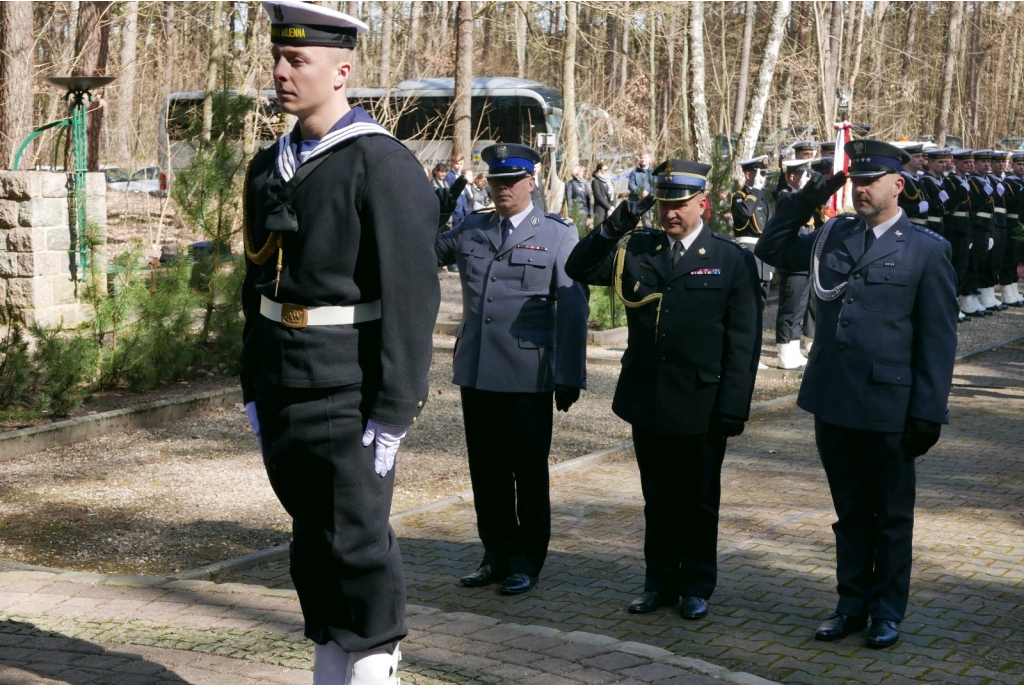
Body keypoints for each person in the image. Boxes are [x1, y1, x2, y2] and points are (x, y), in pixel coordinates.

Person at [239, 3, 440, 683]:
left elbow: (412, 298)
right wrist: (252, 383)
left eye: (298, 60)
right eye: (278, 57)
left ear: (342, 70)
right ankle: (332, 656)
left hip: (348, 386)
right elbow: (255, 284)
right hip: (284, 382)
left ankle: (376, 657)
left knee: (357, 540)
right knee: (311, 541)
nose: (281, 71)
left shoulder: (380, 165)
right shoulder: (269, 167)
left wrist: (394, 407)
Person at [755, 139, 958, 650]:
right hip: (835, 398)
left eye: (870, 181)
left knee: (890, 515)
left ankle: (886, 612)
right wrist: (807, 198)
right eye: (856, 181)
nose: (861, 190)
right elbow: (771, 248)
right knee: (849, 514)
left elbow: (937, 338)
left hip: (891, 405)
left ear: (899, 185)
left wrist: (929, 411)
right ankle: (850, 604)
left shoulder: (927, 250)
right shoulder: (834, 235)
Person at [565, 159, 762, 622]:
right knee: (657, 498)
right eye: (664, 204)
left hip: (702, 401)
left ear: (703, 204)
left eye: (680, 204)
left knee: (697, 499)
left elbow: (743, 342)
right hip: (648, 397)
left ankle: (696, 584)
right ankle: (659, 581)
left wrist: (734, 407)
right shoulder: (641, 248)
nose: (671, 213)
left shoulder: (730, 259)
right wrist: (621, 218)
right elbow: (579, 265)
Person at [435, 143, 589, 596]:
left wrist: (569, 373)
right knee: (486, 470)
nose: (502, 189)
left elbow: (573, 308)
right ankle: (495, 553)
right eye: (496, 181)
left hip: (528, 374)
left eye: (511, 181)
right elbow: (422, 252)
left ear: (531, 182)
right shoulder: (472, 226)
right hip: (478, 370)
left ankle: (527, 560)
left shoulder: (557, 233)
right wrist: (435, 207)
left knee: (527, 470)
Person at [774, 158, 816, 369]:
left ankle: (793, 349)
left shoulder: (798, 198)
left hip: (803, 260)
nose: (807, 178)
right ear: (792, 177)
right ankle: (784, 351)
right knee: (790, 307)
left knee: (800, 306)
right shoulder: (786, 197)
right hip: (791, 260)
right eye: (803, 175)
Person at [731, 155, 774, 308]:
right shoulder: (739, 197)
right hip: (749, 253)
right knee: (747, 302)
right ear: (749, 175)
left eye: (765, 174)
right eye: (761, 173)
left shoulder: (763, 198)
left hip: (764, 254)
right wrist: (755, 189)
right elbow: (745, 212)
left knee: (761, 302)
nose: (765, 177)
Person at [945, 149, 979, 321]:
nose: (970, 165)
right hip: (954, 227)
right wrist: (960, 191)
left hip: (966, 225)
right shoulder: (950, 180)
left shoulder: (968, 180)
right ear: (956, 163)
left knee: (962, 267)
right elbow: (949, 205)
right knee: (955, 267)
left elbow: (974, 207)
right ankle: (951, 306)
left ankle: (957, 303)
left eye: (971, 162)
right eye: (966, 162)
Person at [964, 150, 998, 316]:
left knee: (981, 263)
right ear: (975, 163)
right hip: (976, 226)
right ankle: (967, 299)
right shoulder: (971, 181)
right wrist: (985, 193)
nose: (986, 164)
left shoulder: (988, 180)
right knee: (973, 263)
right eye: (982, 161)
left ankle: (976, 297)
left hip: (986, 226)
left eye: (988, 161)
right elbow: (972, 205)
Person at [1002, 152, 1024, 305]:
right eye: (1019, 164)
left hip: (1021, 223)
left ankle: (1014, 288)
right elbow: (1007, 203)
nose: (1022, 167)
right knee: (1010, 256)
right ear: (1012, 166)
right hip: (1012, 223)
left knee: (1018, 257)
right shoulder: (1008, 182)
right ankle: (1006, 290)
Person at [893, 142, 929, 227]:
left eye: (921, 156)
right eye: (917, 157)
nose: (921, 159)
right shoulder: (900, 179)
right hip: (908, 226)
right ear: (907, 159)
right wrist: (917, 209)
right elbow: (895, 205)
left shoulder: (919, 178)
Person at [628, 152, 655, 227]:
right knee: (631, 224)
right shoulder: (634, 172)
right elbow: (631, 185)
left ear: (649, 159)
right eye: (641, 158)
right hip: (635, 201)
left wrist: (648, 193)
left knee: (647, 224)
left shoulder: (653, 172)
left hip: (648, 201)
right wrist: (640, 191)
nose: (643, 159)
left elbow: (655, 185)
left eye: (645, 157)